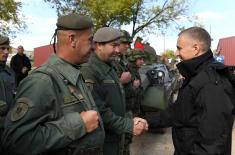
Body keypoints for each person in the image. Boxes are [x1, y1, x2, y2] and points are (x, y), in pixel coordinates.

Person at [2, 14, 105, 155]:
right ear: (72, 39)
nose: (94, 47)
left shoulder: (74, 73)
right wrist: (78, 124)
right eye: (90, 40)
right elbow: (15, 141)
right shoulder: (41, 82)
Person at [147, 27, 235, 155]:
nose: (176, 53)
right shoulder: (196, 75)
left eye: (179, 48)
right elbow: (180, 111)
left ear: (195, 49)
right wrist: (148, 122)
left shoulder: (212, 83)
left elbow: (212, 144)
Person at [81, 27, 148, 155]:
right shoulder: (89, 70)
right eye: (114, 46)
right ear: (99, 45)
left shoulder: (109, 66)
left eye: (119, 45)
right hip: (103, 141)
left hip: (115, 135)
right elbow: (97, 110)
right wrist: (128, 125)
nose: (117, 50)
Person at [0, 35, 16, 154]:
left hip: (9, 126)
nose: (6, 52)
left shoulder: (10, 72)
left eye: (7, 48)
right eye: (2, 48)